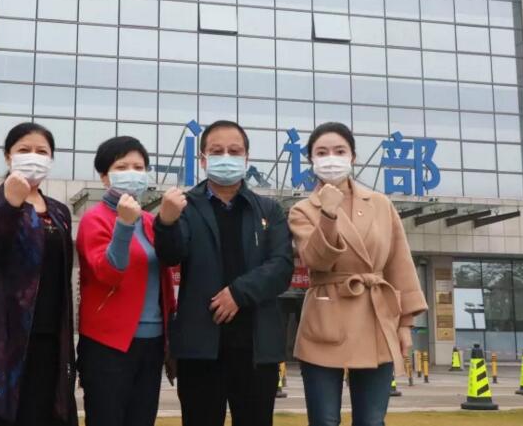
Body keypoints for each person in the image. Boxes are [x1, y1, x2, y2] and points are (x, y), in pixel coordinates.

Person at [154, 120, 294, 426]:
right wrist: (165, 222)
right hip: (200, 349)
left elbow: (282, 266)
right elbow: (170, 255)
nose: (226, 157)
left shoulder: (268, 210)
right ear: (203, 159)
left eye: (235, 151)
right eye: (217, 151)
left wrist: (238, 293)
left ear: (246, 158)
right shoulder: (186, 206)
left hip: (257, 348)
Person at [289, 122, 427, 426]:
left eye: (340, 151)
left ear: (353, 157)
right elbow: (316, 260)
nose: (331, 158)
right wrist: (328, 214)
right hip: (325, 315)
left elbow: (399, 263)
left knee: (371, 421)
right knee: (323, 421)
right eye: (321, 152)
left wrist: (405, 323)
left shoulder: (380, 204)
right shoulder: (302, 209)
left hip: (376, 316)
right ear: (311, 160)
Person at [0, 122, 77, 426]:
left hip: (50, 338)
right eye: (24, 149)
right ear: (8, 156)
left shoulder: (59, 211)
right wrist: (11, 204)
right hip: (4, 337)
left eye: (42, 151)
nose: (34, 156)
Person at [76, 136, 177, 426]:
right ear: (104, 177)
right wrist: (123, 224)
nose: (132, 173)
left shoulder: (150, 221)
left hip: (152, 343)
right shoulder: (95, 219)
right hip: (108, 344)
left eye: (139, 167)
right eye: (122, 167)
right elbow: (109, 273)